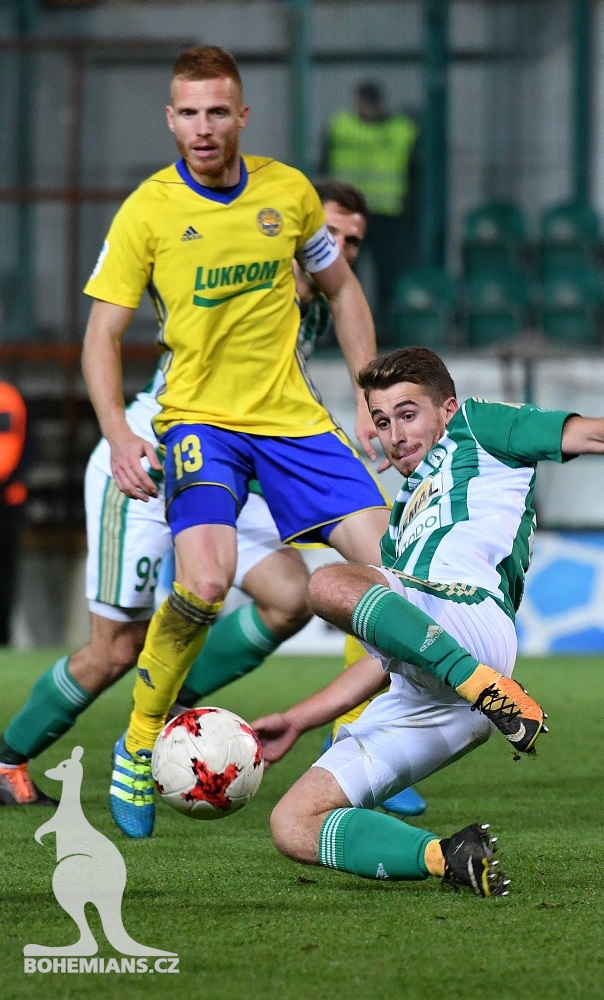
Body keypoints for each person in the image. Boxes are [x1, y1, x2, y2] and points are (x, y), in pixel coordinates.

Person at [81, 44, 403, 840]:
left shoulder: (288, 193)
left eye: (217, 111)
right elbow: (100, 336)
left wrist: (371, 398)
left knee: (400, 574)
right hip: (199, 422)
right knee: (205, 583)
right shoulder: (148, 211)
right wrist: (119, 432)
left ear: (242, 116)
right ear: (170, 118)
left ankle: (376, 740)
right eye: (187, 112)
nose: (202, 127)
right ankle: (139, 739)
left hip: (294, 422)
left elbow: (342, 287)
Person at [0, 180, 395, 812]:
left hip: (229, 466)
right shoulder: (244, 271)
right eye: (329, 235)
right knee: (116, 650)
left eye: (352, 242)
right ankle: (8, 757)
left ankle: (168, 713)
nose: (339, 250)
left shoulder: (316, 303)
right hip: (151, 465)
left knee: (291, 597)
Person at [253, 346, 604, 895]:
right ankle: (450, 857)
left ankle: (486, 687)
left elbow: (601, 434)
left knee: (326, 581)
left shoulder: (479, 427)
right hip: (438, 686)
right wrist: (298, 719)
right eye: (381, 421)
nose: (395, 434)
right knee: (292, 824)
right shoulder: (399, 529)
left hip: (469, 616)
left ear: (446, 408)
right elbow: (390, 654)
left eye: (408, 413)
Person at [321, 81, 419, 343]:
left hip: (386, 215)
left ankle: (382, 329)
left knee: (384, 276)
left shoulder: (401, 131)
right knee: (341, 273)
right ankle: (336, 330)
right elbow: (324, 165)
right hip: (348, 215)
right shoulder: (341, 127)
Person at [0, 380, 29, 647]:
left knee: (5, 571)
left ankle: (3, 634)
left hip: (6, 501)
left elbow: (12, 450)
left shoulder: (7, 397)